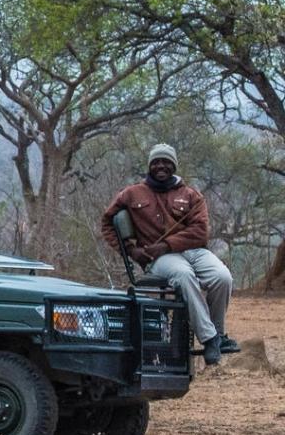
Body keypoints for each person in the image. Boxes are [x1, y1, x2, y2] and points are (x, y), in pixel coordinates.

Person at [100, 143, 236, 365]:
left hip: (194, 251)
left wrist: (166, 244)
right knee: (183, 276)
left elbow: (201, 232)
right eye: (156, 162)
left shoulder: (191, 195)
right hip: (160, 260)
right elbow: (107, 222)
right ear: (149, 166)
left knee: (223, 277)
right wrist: (130, 251)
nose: (160, 166)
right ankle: (210, 339)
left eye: (166, 162)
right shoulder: (131, 193)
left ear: (174, 166)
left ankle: (219, 334)